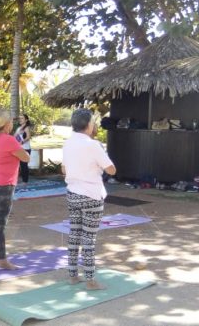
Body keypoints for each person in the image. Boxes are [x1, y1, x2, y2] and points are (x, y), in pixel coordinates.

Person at [62, 108, 116, 290]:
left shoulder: (68, 144)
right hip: (92, 195)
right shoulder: (93, 145)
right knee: (88, 239)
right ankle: (90, 279)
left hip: (73, 194)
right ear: (88, 124)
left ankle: (72, 275)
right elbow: (111, 169)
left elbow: (64, 170)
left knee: (74, 234)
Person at [0, 109, 30, 270]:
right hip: (4, 186)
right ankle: (3, 260)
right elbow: (26, 157)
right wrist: (19, 143)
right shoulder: (9, 140)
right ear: (7, 124)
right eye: (11, 121)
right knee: (0, 224)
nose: (13, 123)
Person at [15, 114, 32, 185]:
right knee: (18, 165)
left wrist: (21, 142)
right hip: (18, 149)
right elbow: (14, 136)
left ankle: (25, 181)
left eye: (22, 118)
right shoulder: (19, 128)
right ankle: (18, 179)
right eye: (20, 118)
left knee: (24, 165)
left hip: (25, 149)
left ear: (26, 120)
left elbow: (28, 137)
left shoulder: (26, 128)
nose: (20, 120)